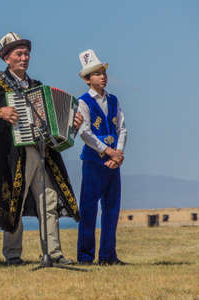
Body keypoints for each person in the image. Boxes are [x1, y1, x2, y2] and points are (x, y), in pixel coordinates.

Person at [0, 32, 82, 265]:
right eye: (19, 54)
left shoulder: (37, 86)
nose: (24, 58)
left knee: (49, 199)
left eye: (27, 53)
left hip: (41, 151)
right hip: (13, 155)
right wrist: (0, 113)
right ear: (7, 58)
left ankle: (53, 253)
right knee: (14, 199)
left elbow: (53, 122)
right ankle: (13, 254)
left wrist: (71, 124)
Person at [76, 49, 127, 265]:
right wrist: (107, 151)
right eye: (97, 73)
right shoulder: (84, 102)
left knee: (111, 209)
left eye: (103, 72)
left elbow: (122, 128)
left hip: (113, 162)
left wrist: (119, 153)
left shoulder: (114, 100)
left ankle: (108, 255)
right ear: (88, 79)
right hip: (93, 161)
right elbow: (84, 132)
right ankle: (85, 257)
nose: (102, 76)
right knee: (88, 209)